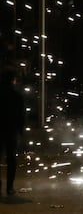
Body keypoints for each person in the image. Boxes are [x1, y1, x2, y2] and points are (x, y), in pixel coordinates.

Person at [0, 67, 25, 195]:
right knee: (11, 159)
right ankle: (9, 187)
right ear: (12, 80)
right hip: (10, 131)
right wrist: (20, 131)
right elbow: (21, 116)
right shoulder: (16, 96)